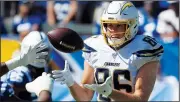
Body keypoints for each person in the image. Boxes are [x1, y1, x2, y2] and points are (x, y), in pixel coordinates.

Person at [52, 1, 163, 101]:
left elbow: (141, 98)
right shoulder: (94, 47)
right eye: (109, 25)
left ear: (133, 25)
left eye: (119, 26)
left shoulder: (145, 49)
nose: (112, 30)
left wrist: (110, 92)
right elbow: (85, 97)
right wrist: (71, 82)